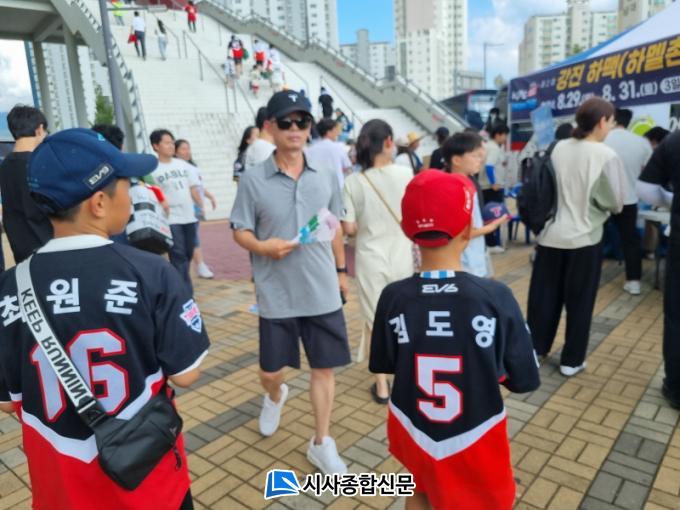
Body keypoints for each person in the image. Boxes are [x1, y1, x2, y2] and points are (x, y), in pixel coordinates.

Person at [0, 128, 210, 510]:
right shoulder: (151, 272)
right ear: (98, 202)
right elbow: (185, 374)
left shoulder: (11, 284)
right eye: (126, 183)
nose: (132, 191)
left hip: (59, 489)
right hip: (149, 484)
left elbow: (7, 401)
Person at [370, 169, 540, 510]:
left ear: (407, 230)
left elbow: (385, 363)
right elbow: (523, 380)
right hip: (476, 432)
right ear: (467, 229)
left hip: (413, 427)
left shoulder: (393, 296)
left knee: (419, 490)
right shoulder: (494, 296)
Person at [230, 90, 350, 474]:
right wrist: (261, 247)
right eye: (286, 122)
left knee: (324, 368)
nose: (295, 129)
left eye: (302, 121)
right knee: (270, 372)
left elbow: (333, 226)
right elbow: (240, 229)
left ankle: (321, 442)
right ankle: (275, 394)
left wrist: (341, 271)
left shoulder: (326, 174)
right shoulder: (252, 179)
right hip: (276, 292)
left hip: (321, 289)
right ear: (270, 126)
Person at [527, 97, 627, 377]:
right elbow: (615, 203)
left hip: (550, 236)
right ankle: (571, 360)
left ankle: (535, 350)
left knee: (544, 299)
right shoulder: (606, 155)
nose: (611, 126)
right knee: (580, 302)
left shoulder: (557, 147)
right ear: (602, 122)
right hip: (585, 239)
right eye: (611, 121)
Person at [341, 119, 413, 404]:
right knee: (404, 317)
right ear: (388, 142)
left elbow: (348, 228)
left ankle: (382, 386)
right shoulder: (406, 174)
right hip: (402, 255)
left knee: (373, 320)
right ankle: (405, 374)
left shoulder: (353, 182)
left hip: (370, 258)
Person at [637, 130, 680, 408]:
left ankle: (675, 387)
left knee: (677, 315)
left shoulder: (675, 141)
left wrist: (673, 201)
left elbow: (645, 189)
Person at [442, 132, 508, 278]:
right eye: (475, 156)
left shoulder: (467, 182)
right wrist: (493, 225)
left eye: (481, 156)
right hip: (465, 261)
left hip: (474, 255)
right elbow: (465, 233)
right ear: (456, 160)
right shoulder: (457, 188)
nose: (480, 160)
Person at [604, 108, 653, 295]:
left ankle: (589, 277)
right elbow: (647, 171)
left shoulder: (603, 139)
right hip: (629, 199)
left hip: (603, 199)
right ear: (629, 121)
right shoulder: (641, 143)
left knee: (595, 238)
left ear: (612, 119)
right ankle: (634, 282)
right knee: (630, 240)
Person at [149, 129, 204, 292]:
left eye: (172, 142)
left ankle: (177, 285)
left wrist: (200, 205)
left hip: (189, 217)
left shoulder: (184, 165)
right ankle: (185, 293)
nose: (171, 146)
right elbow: (152, 192)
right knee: (178, 255)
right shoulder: (153, 170)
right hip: (171, 219)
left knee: (188, 254)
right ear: (156, 146)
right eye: (167, 143)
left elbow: (193, 188)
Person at [0, 105, 52, 263]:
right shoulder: (41, 164)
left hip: (21, 253)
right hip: (49, 250)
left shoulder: (4, 166)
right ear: (40, 129)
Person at [174, 139, 216, 280]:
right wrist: (200, 204)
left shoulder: (192, 167)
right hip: (187, 206)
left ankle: (197, 265)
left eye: (188, 148)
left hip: (195, 205)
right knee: (192, 238)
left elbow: (199, 186)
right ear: (176, 151)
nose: (187, 152)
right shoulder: (178, 168)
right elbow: (192, 190)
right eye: (183, 149)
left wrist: (209, 197)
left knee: (193, 236)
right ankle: (199, 265)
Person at [479, 123, 510, 253]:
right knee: (493, 216)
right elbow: (489, 166)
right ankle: (492, 244)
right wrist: (494, 183)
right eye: (505, 135)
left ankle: (489, 243)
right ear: (498, 135)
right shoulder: (494, 148)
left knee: (487, 216)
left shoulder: (488, 146)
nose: (506, 138)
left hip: (485, 187)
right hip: (492, 188)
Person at [305, 118, 352, 189]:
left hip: (317, 187)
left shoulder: (310, 149)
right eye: (336, 129)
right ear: (329, 132)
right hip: (337, 187)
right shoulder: (339, 147)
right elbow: (347, 167)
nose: (338, 133)